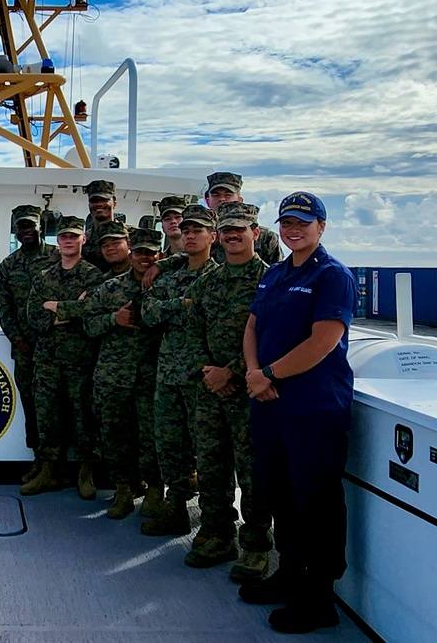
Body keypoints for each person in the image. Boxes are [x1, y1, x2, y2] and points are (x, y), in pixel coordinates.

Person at [241, 192, 358, 634]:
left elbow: (324, 340)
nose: (294, 230)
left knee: (316, 502)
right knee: (280, 496)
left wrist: (268, 373)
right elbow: (254, 325)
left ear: (321, 227)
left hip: (313, 409)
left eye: (303, 223)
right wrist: (254, 373)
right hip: (269, 406)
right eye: (287, 222)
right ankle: (289, 575)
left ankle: (319, 597)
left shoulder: (333, 276)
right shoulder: (273, 274)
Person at [186, 202, 272, 579]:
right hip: (211, 390)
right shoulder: (208, 281)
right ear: (219, 235)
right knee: (210, 464)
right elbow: (192, 329)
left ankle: (255, 544)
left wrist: (233, 372)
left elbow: (274, 337)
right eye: (227, 230)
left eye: (242, 229)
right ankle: (217, 531)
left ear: (256, 233)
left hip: (250, 390)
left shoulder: (270, 280)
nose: (233, 235)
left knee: (252, 470)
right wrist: (210, 373)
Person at [58, 226, 164, 519]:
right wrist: (113, 319)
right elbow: (89, 325)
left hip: (151, 377)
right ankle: (123, 491)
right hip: (113, 376)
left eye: (151, 254)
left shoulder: (169, 285)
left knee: (152, 437)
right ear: (131, 253)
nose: (145, 258)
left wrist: (165, 267)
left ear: (160, 255)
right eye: (140, 252)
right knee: (115, 436)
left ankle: (155, 491)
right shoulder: (111, 287)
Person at [140, 204, 217, 536]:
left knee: (208, 450)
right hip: (169, 373)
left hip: (202, 378)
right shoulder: (172, 277)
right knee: (169, 445)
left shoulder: (217, 278)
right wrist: (179, 305)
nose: (189, 235)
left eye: (197, 230)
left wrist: (175, 308)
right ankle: (176, 508)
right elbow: (148, 312)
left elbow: (206, 313)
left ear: (213, 236)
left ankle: (215, 520)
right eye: (185, 230)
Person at [25, 215, 104, 498]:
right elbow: (33, 316)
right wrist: (71, 310)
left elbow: (92, 312)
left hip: (80, 360)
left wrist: (55, 308)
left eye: (74, 236)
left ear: (83, 239)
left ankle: (86, 474)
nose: (69, 241)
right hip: (47, 360)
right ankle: (49, 472)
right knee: (47, 417)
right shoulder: (44, 277)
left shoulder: (93, 276)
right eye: (64, 237)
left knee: (84, 417)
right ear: (57, 241)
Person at [0, 205, 60, 483]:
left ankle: (61, 466)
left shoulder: (58, 258)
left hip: (56, 347)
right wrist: (17, 339)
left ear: (40, 228)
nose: (26, 232)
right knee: (31, 405)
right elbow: (5, 309)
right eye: (21, 227)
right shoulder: (8, 267)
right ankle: (40, 461)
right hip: (25, 349)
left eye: (31, 226)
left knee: (59, 405)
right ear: (16, 230)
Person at [204, 172, 283, 265]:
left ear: (240, 200)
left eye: (228, 195)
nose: (222, 199)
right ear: (208, 202)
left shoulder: (265, 237)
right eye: (216, 195)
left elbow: (278, 272)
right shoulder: (203, 237)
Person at [82, 179, 117, 270]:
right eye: (94, 201)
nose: (99, 204)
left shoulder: (132, 235)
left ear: (115, 203)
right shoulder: (82, 241)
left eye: (104, 199)